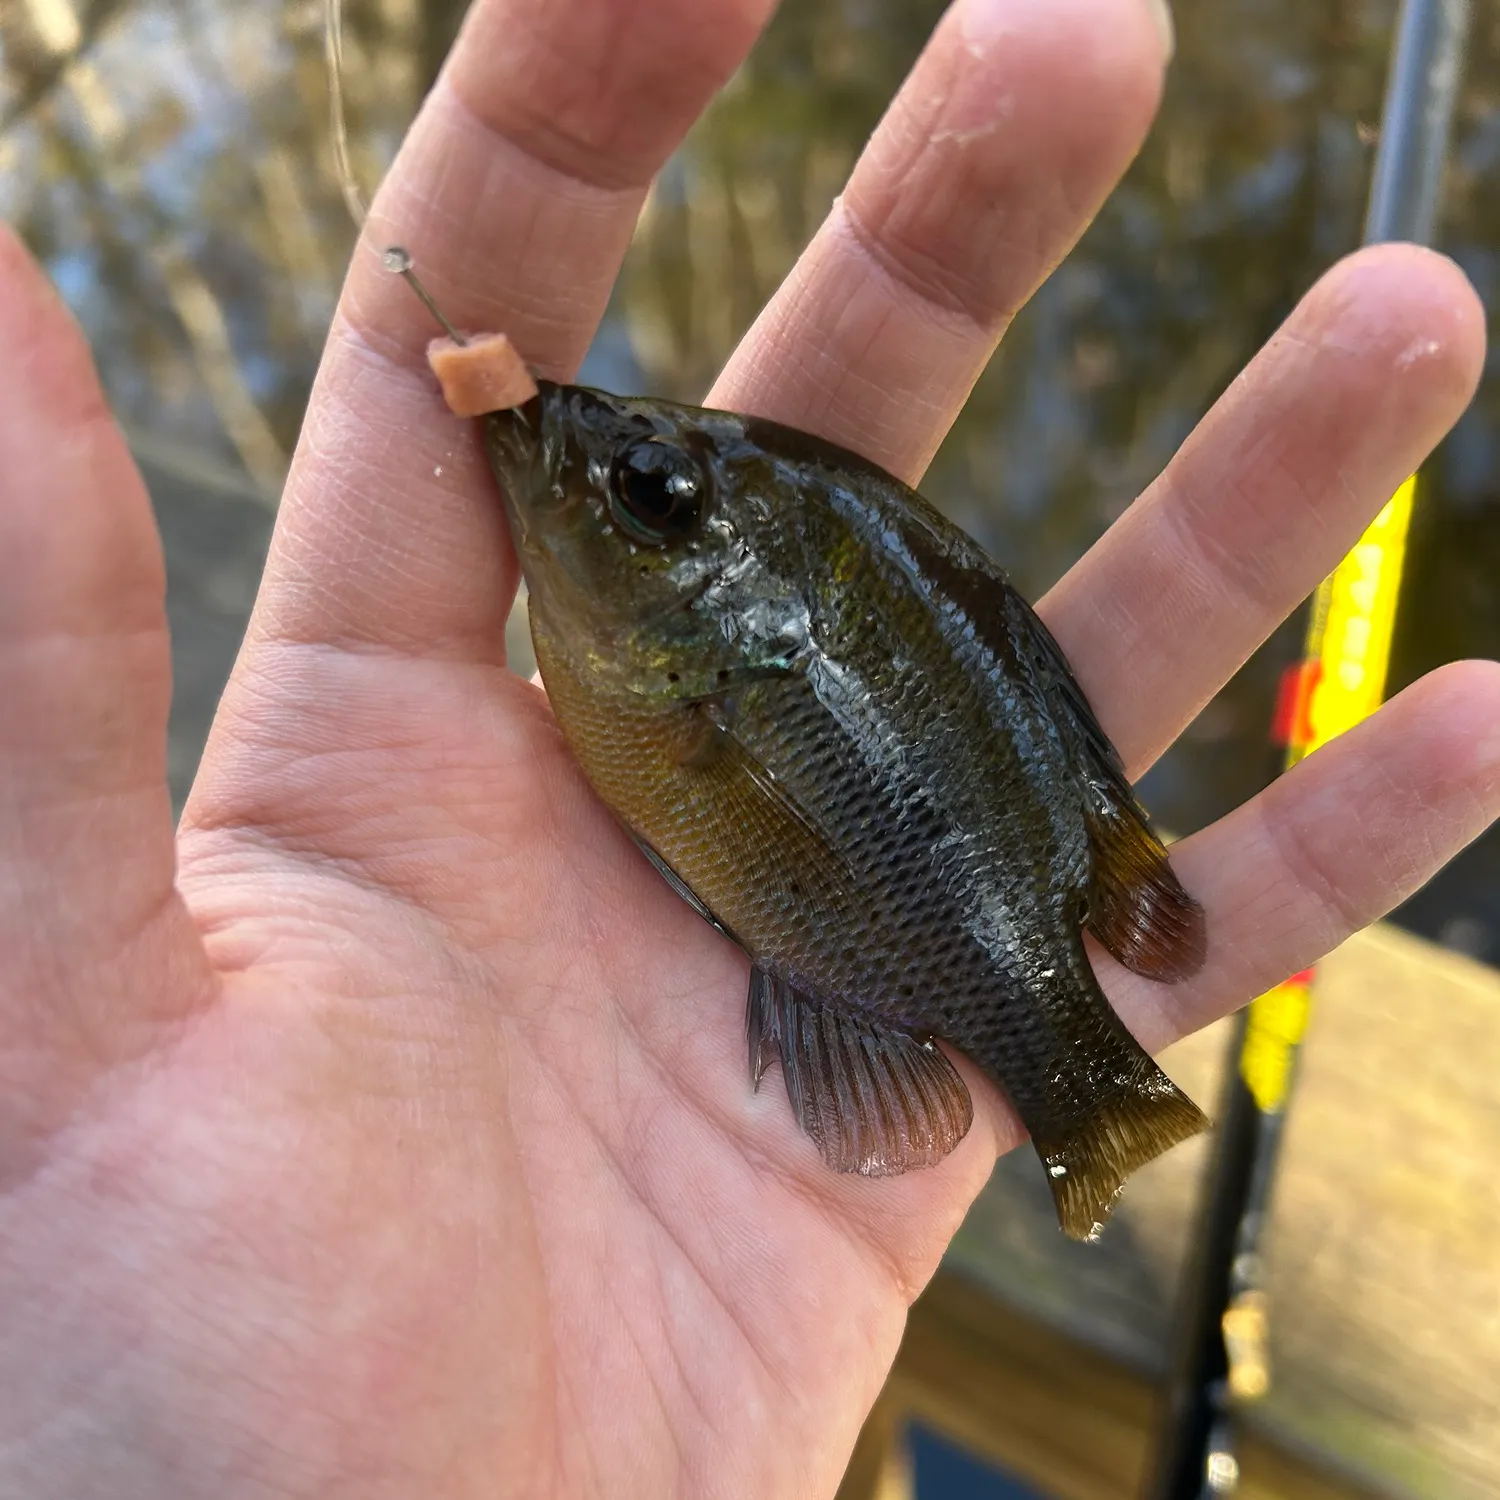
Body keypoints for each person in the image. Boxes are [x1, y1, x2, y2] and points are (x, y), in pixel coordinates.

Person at [2, 0, 1495, 1494]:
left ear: (747, 619)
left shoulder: (683, 672)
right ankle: (1091, 1110)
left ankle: (1091, 1109)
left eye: (651, 494)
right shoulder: (661, 655)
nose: (604, 473)